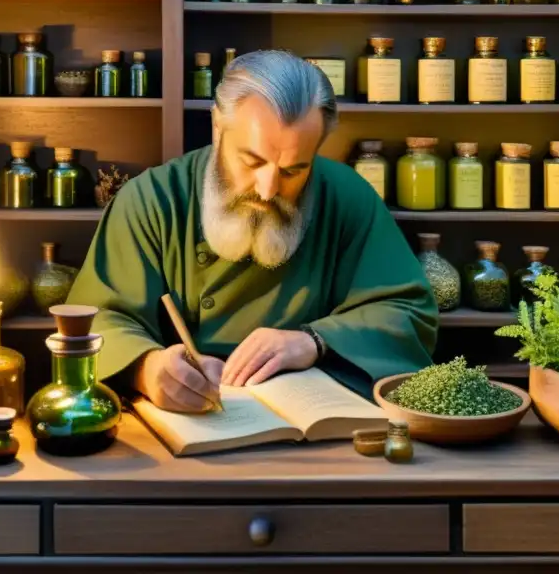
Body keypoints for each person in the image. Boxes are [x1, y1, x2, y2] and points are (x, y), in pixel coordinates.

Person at [66, 49, 438, 412]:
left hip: (311, 421)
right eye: (252, 160)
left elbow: (407, 312)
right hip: (187, 420)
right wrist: (146, 369)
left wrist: (314, 341)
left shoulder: (346, 196)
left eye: (293, 171)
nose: (267, 189)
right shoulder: (153, 199)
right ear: (217, 126)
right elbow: (94, 317)